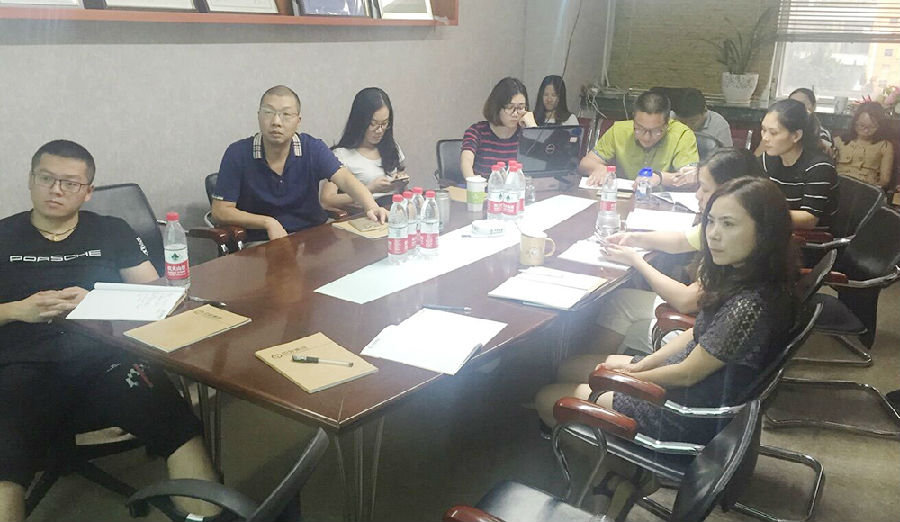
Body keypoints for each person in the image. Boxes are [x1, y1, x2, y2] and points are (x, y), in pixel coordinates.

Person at [0, 140, 219, 521]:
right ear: (31, 180)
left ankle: (208, 516)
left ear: (87, 192)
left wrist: (98, 301)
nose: (55, 190)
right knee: (6, 453)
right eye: (46, 178)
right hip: (22, 365)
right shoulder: (4, 234)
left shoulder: (110, 231)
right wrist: (19, 310)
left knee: (178, 425)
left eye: (70, 183)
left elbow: (155, 299)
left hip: (107, 361)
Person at [536, 176, 797, 446]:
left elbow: (686, 374)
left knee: (547, 399)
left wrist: (627, 378)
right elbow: (696, 334)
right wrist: (643, 365)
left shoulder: (750, 305)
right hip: (686, 383)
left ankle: (613, 467)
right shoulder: (743, 274)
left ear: (764, 231)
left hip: (684, 411)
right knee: (568, 368)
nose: (713, 234)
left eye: (728, 224)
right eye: (710, 221)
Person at [577, 149, 765, 357]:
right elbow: (681, 241)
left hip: (704, 332)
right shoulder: (738, 223)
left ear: (732, 191)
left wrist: (637, 261)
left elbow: (685, 301)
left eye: (704, 188)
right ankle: (594, 365)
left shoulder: (733, 241)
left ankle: (596, 368)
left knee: (625, 325)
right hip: (707, 322)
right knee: (621, 301)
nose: (697, 195)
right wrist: (634, 238)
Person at [211, 85, 388, 242]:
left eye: (286, 115)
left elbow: (345, 179)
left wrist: (371, 206)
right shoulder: (237, 154)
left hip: (312, 238)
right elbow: (220, 211)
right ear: (258, 116)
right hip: (264, 242)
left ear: (298, 121)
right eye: (268, 112)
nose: (276, 122)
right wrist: (268, 222)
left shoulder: (312, 148)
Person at [580, 91, 699, 188]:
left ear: (667, 124)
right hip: (624, 198)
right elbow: (585, 163)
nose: (646, 137)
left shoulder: (682, 135)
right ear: (634, 120)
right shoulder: (619, 131)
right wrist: (599, 168)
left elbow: (692, 178)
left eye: (656, 131)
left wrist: (659, 177)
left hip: (662, 203)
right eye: (639, 129)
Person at [320, 87, 408, 212]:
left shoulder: (391, 147)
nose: (379, 130)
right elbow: (327, 200)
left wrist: (401, 182)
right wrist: (370, 189)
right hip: (366, 214)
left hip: (395, 209)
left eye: (384, 123)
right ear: (360, 122)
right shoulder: (341, 155)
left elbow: (403, 192)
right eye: (373, 124)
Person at [760, 99, 839, 230]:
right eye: (763, 130)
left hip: (811, 237)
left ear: (796, 135)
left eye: (773, 133)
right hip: (776, 229)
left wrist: (760, 215)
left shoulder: (819, 167)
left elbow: (810, 219)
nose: (765, 138)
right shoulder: (767, 158)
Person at [461, 77, 537, 179]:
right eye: (510, 107)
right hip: (483, 188)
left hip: (517, 188)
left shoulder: (525, 134)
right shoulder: (477, 131)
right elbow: (466, 161)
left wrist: (533, 129)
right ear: (497, 107)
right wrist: (473, 183)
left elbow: (543, 166)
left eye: (521, 107)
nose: (515, 113)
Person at [834, 102, 895, 188]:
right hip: (837, 186)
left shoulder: (885, 146)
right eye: (861, 126)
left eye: (872, 127)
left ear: (880, 126)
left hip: (865, 189)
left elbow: (884, 179)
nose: (866, 130)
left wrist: (874, 189)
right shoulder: (839, 141)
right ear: (854, 123)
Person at [672, 88, 733, 161]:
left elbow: (726, 159)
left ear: (705, 111)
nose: (687, 127)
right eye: (682, 123)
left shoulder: (719, 125)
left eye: (693, 122)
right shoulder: (668, 119)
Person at [788, 87, 834, 154]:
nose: (797, 108)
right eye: (792, 104)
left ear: (814, 106)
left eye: (802, 103)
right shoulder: (784, 129)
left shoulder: (822, 134)